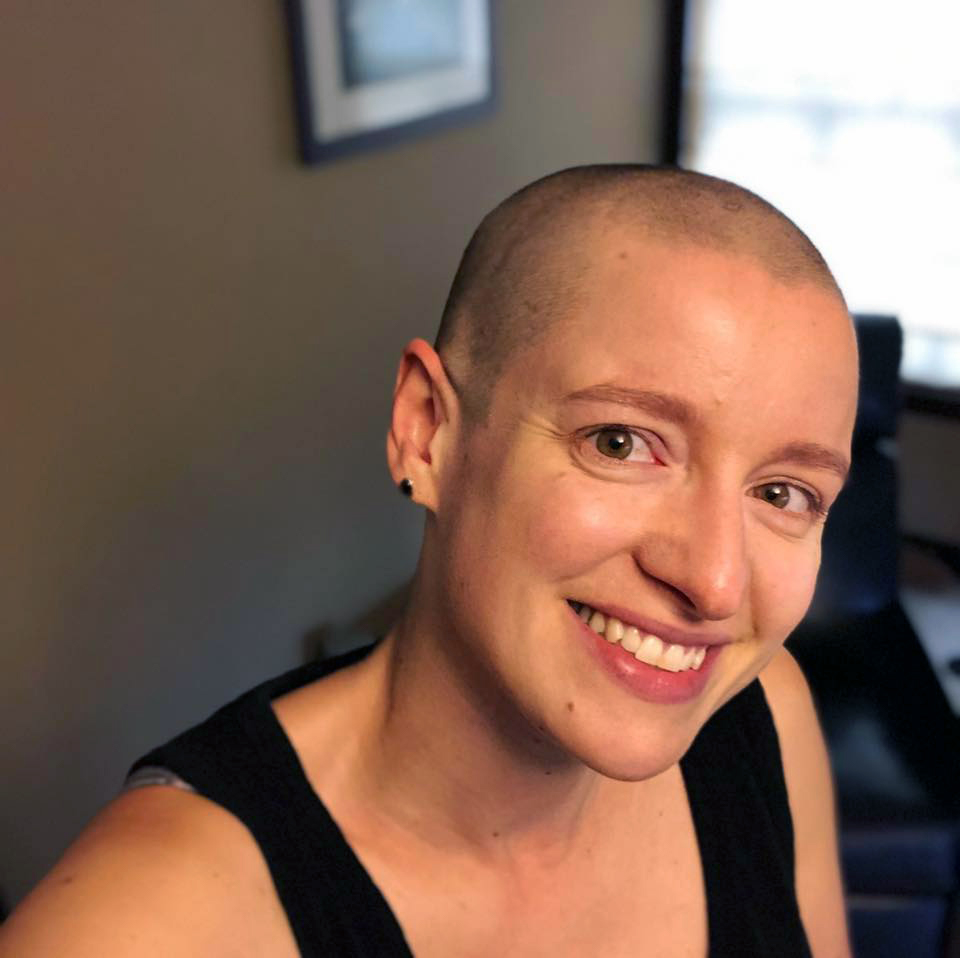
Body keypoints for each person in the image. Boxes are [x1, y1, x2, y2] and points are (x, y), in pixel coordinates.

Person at [0, 165, 857, 957]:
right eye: (622, 442)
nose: (713, 582)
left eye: (783, 494)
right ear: (428, 429)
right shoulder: (139, 930)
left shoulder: (763, 719)